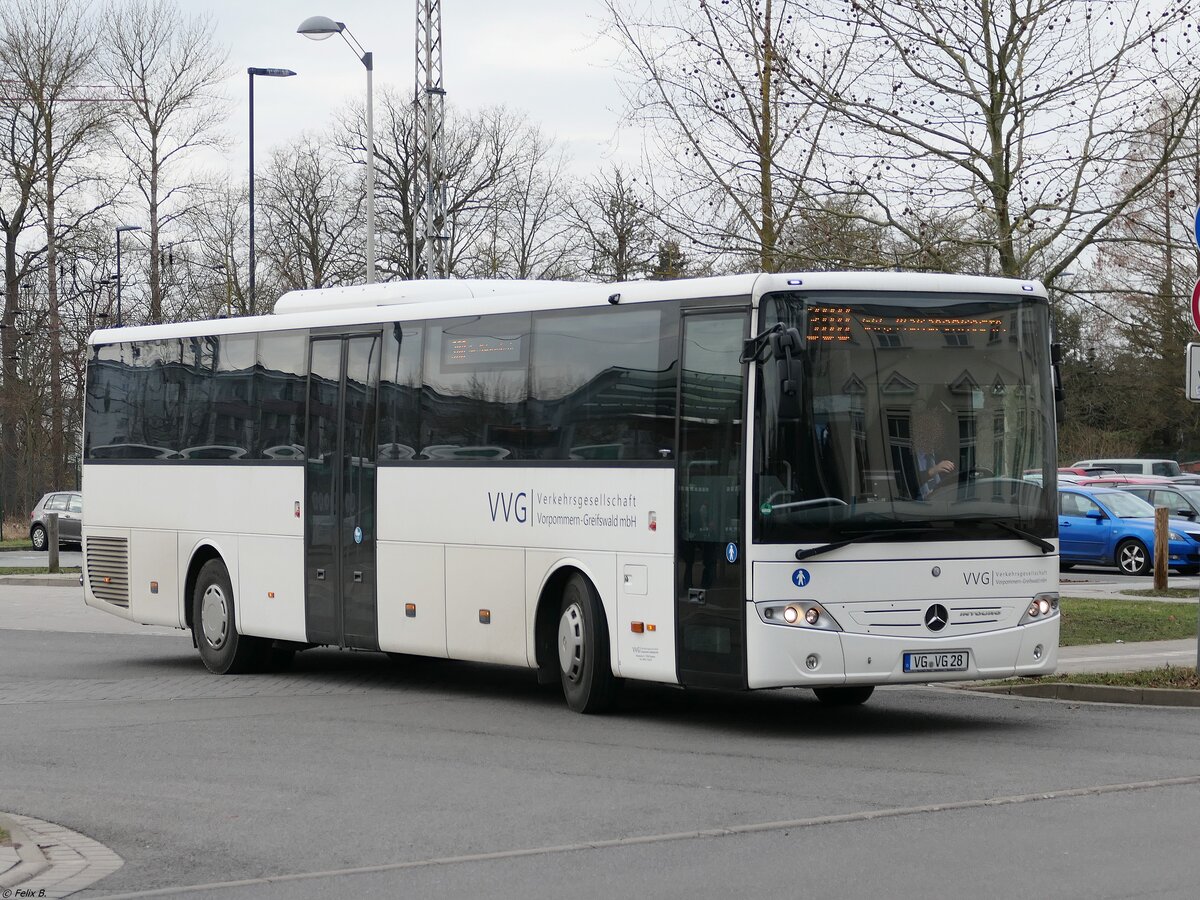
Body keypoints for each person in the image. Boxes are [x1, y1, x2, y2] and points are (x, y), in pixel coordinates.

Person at [911, 409, 956, 498]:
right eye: (926, 431)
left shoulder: (942, 452)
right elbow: (909, 482)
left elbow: (955, 476)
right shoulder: (909, 455)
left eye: (935, 431)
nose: (932, 435)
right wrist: (932, 471)